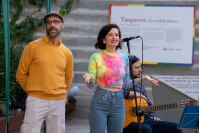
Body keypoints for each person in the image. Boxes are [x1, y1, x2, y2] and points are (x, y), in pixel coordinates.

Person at [16, 12, 73, 133]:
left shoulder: (67, 53)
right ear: (46, 26)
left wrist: (63, 95)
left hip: (58, 101)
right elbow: (20, 74)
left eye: (56, 22)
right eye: (49, 22)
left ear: (62, 25)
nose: (52, 25)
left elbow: (68, 78)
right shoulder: (32, 47)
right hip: (36, 100)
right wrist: (33, 91)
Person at [83, 23, 138, 133]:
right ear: (103, 38)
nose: (114, 37)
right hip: (100, 100)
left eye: (117, 35)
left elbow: (126, 84)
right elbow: (90, 86)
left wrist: (143, 79)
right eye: (110, 35)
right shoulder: (96, 57)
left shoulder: (124, 59)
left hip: (119, 101)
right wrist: (89, 78)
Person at [123, 55, 182, 133]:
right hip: (128, 122)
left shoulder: (141, 87)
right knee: (146, 129)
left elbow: (148, 104)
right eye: (136, 68)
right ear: (128, 70)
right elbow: (114, 94)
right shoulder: (120, 85)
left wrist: (152, 116)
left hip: (145, 119)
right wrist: (132, 94)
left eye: (140, 67)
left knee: (177, 128)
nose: (140, 70)